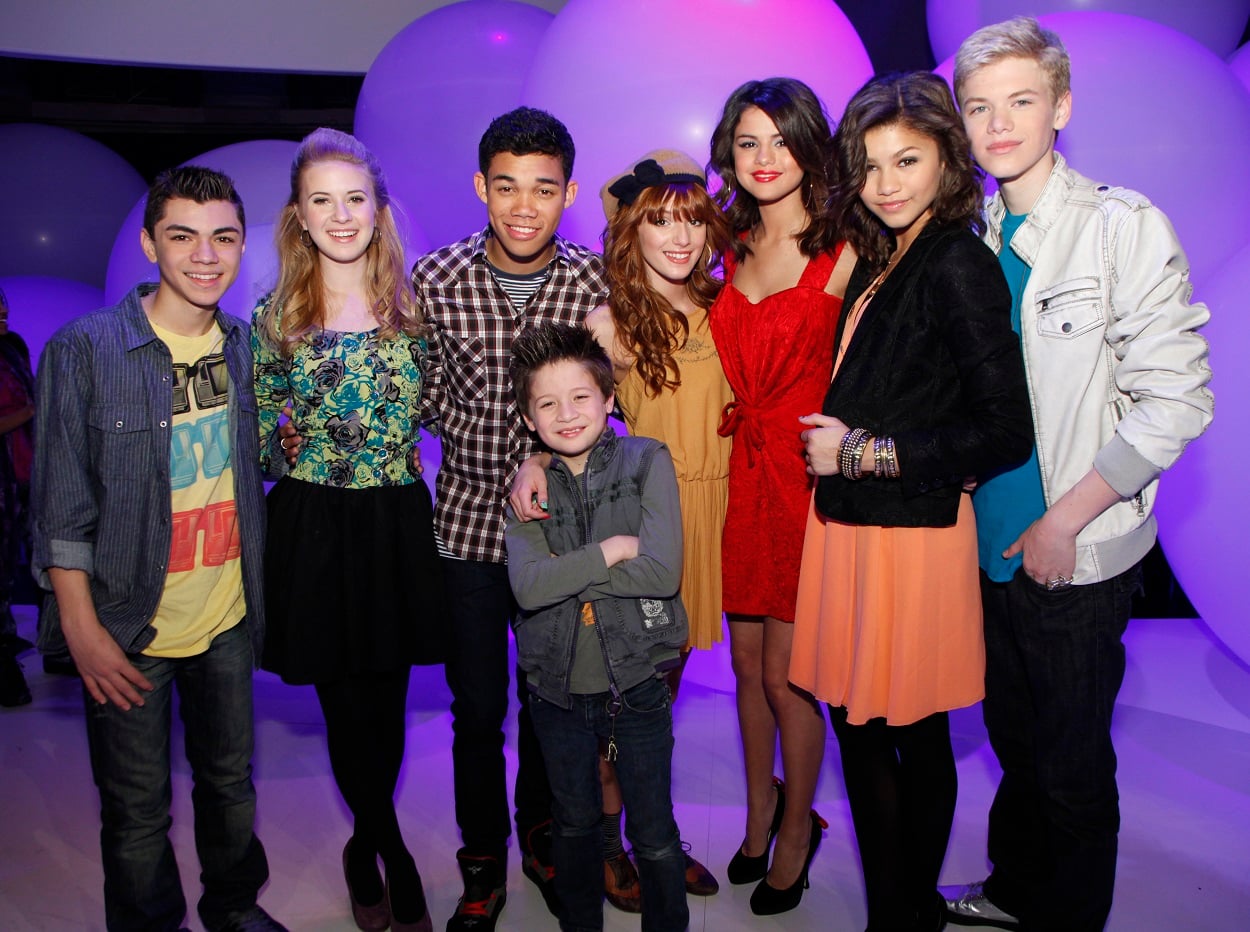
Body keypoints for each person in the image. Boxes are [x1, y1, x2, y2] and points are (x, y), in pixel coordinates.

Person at [942, 19, 1214, 931]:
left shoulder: (1119, 227)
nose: (998, 124)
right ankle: (1016, 892)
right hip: (987, 545)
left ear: (1061, 107)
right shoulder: (968, 236)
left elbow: (1175, 402)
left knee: (1072, 768)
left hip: (1076, 549)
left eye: (1020, 101)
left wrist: (1065, 520)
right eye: (978, 107)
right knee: (1016, 743)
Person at [792, 70, 1033, 932]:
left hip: (910, 537)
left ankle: (905, 917)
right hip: (854, 527)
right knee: (857, 727)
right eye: (870, 165)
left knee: (913, 734)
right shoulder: (882, 252)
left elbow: (1004, 431)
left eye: (908, 160)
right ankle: (896, 911)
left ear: (946, 161)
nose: (887, 183)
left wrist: (860, 451)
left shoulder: (957, 260)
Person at [30, 167, 285, 932]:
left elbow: (261, 457)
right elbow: (60, 504)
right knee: (137, 810)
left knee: (230, 785)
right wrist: (81, 630)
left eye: (223, 238)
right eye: (183, 236)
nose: (205, 256)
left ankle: (233, 908)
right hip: (125, 624)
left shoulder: (244, 346)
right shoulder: (86, 349)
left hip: (226, 614)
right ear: (149, 244)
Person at [510, 149, 729, 911]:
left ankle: (652, 836)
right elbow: (569, 408)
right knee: (616, 687)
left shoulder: (725, 305)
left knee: (655, 695)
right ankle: (611, 846)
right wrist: (534, 459)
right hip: (642, 520)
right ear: (631, 231)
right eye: (660, 220)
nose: (679, 237)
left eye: (692, 220)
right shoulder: (610, 321)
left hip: (714, 515)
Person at [412, 106, 609, 932]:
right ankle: (483, 858)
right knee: (477, 708)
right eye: (506, 187)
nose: (524, 206)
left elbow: (613, 401)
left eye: (543, 188)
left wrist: (548, 453)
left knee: (552, 699)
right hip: (466, 528)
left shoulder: (594, 282)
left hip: (560, 537)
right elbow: (418, 393)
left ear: (569, 194)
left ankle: (543, 837)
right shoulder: (434, 279)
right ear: (480, 187)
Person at [252, 128, 442, 932]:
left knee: (387, 703)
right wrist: (282, 446)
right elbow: (255, 429)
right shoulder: (276, 316)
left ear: (378, 208)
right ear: (298, 215)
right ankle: (389, 849)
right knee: (342, 705)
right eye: (321, 201)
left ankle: (366, 842)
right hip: (315, 526)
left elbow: (451, 406)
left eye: (354, 198)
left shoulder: (416, 310)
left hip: (394, 520)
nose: (339, 215)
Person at [706, 76, 855, 915]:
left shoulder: (845, 249)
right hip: (742, 471)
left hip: (805, 480)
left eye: (781, 139)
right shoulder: (725, 244)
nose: (764, 158)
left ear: (810, 146)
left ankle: (798, 829)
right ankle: (759, 812)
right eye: (747, 142)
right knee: (744, 665)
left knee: (787, 676)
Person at [505, 321, 690, 932]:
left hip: (637, 680)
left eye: (581, 396)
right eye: (547, 404)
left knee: (655, 833)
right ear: (528, 418)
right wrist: (611, 550)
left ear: (609, 398)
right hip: (556, 691)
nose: (566, 415)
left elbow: (661, 571)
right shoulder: (527, 488)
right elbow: (528, 588)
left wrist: (565, 572)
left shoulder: (646, 460)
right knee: (575, 825)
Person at [0, 284, 36, 706]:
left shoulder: (13, 347)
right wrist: (30, 411)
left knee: (34, 558)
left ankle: (54, 643)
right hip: (3, 481)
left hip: (27, 471)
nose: (3, 309)